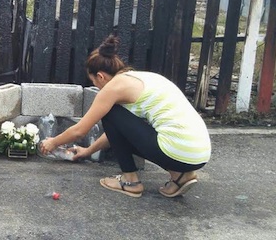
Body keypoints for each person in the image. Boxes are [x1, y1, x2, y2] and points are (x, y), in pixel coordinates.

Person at [39, 35, 211, 198]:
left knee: (110, 112)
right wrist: (88, 151)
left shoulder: (113, 88)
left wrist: (53, 142)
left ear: (100, 76)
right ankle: (180, 175)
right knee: (117, 116)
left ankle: (130, 181)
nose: (97, 87)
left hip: (178, 150)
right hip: (199, 154)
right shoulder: (141, 78)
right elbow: (121, 132)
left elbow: (80, 131)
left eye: (94, 82)